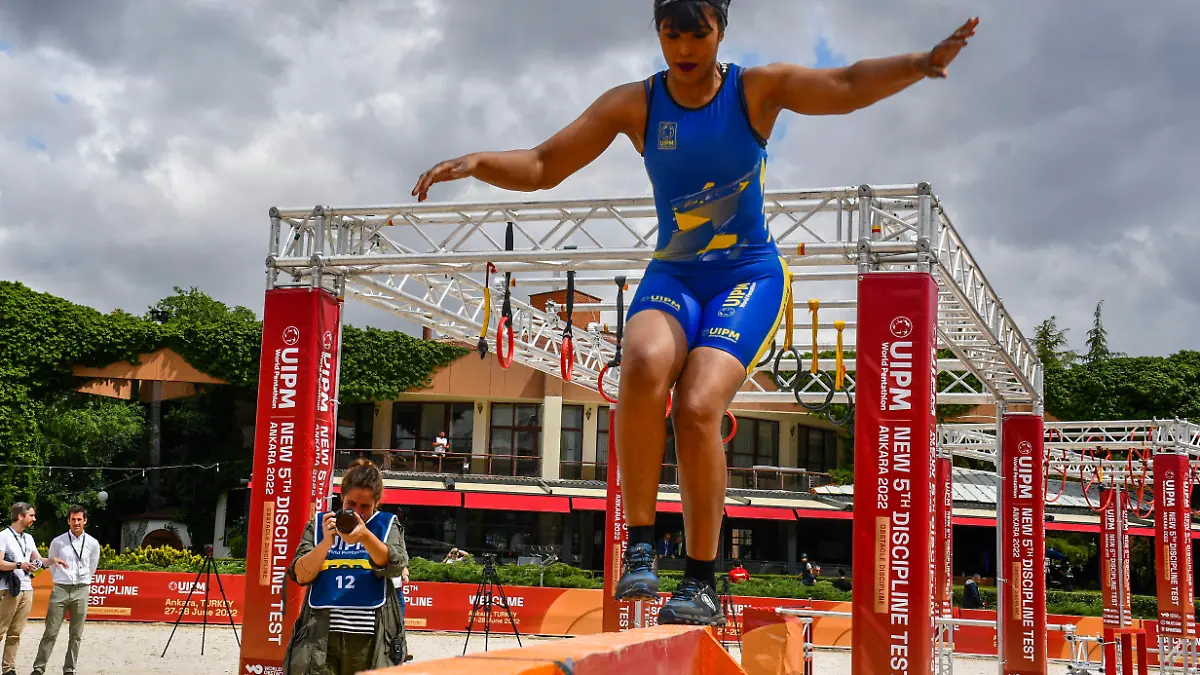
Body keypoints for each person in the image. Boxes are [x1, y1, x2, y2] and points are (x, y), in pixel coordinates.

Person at [411, 0, 978, 626]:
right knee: (643, 361)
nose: (683, 48)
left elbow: (842, 85)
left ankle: (703, 578)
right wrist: (476, 163)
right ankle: (642, 543)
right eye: (670, 33)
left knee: (698, 406)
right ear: (658, 32)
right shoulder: (635, 103)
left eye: (696, 34)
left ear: (721, 30)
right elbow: (546, 165)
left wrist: (921, 63)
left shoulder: (755, 91)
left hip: (747, 275)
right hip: (675, 274)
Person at [283, 459, 410, 674]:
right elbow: (300, 575)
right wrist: (325, 543)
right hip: (321, 637)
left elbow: (395, 565)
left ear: (376, 503)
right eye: (351, 504)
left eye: (365, 507)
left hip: (370, 639)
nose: (357, 512)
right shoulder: (319, 524)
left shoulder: (387, 524)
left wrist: (366, 537)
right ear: (341, 497)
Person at [31, 505, 100, 675]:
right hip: (61, 588)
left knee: (76, 634)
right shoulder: (58, 541)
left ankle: (69, 668)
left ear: (85, 521)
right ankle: (39, 668)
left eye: (79, 519)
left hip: (82, 588)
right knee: (51, 631)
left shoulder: (92, 543)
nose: (76, 523)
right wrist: (61, 579)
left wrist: (82, 580)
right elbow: (52, 564)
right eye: (73, 519)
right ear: (68, 520)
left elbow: (92, 567)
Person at [0, 503, 44, 675]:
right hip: (7, 589)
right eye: (31, 515)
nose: (34, 519)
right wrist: (19, 564)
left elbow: (39, 561)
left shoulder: (29, 538)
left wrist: (42, 564)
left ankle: (9, 669)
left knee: (15, 633)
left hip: (27, 589)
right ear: (20, 516)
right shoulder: (3, 536)